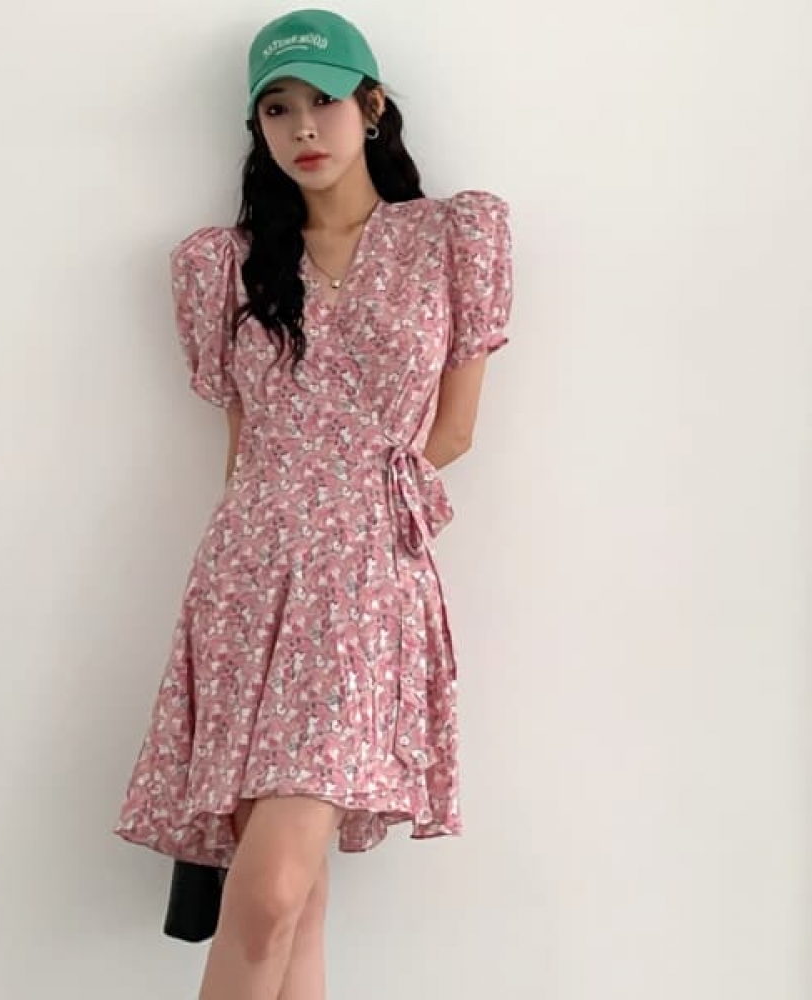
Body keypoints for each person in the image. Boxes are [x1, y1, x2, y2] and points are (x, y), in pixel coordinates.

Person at [115, 7, 514, 999]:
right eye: (276, 109)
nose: (302, 127)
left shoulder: (448, 239)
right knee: (291, 907)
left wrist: (353, 510)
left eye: (323, 101)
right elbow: (243, 450)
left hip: (365, 581)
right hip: (246, 578)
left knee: (269, 892)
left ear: (370, 106)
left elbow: (454, 430)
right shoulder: (230, 265)